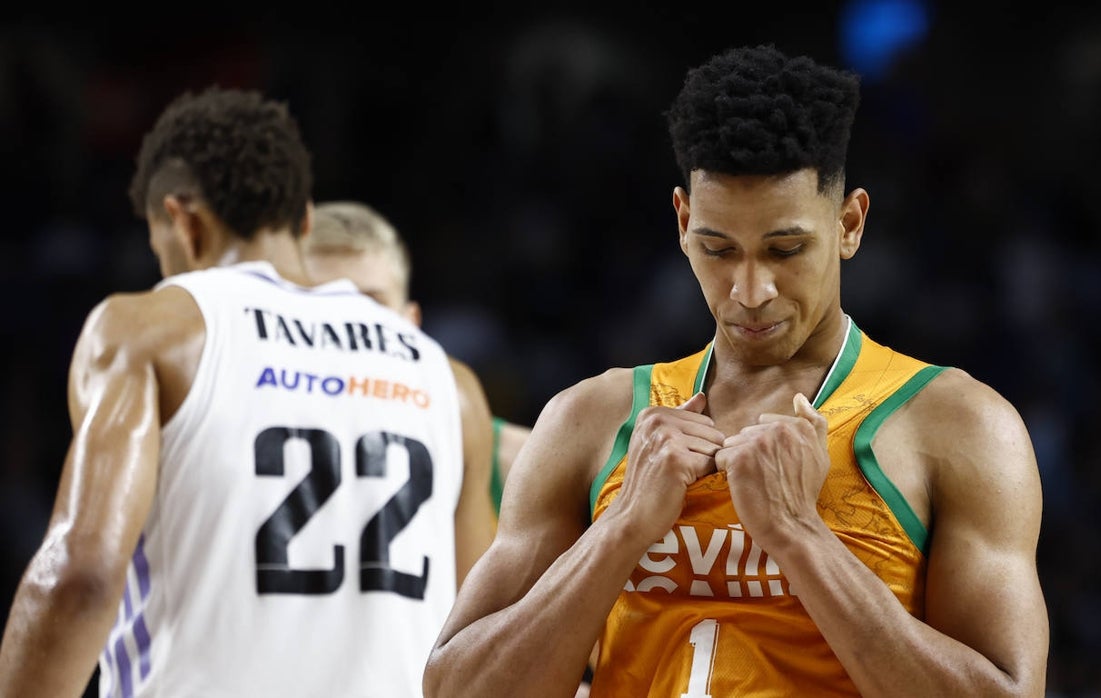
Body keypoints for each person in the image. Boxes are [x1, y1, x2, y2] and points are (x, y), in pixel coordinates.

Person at [423, 43, 1049, 696]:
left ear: (850, 223)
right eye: (718, 249)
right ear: (683, 221)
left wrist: (798, 533)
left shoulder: (957, 424)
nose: (750, 291)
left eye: (786, 249)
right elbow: (456, 690)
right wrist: (623, 526)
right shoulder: (592, 418)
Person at [0, 86, 494, 697]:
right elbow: (483, 635)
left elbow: (82, 577)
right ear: (304, 219)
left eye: (162, 252)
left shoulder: (150, 331)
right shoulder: (449, 381)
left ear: (183, 221)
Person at [300, 200, 532, 519]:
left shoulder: (519, 464)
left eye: (370, 306)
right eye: (323, 305)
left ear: (411, 323)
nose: (348, 327)